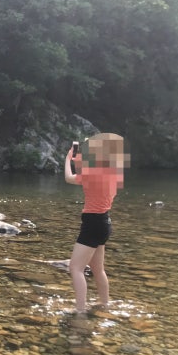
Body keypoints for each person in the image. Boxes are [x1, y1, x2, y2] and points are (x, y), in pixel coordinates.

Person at [64, 133, 130, 314]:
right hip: (104, 223)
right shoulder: (113, 173)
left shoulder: (91, 172)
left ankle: (80, 311)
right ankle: (104, 305)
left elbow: (69, 177)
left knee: (75, 268)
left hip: (92, 224)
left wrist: (68, 158)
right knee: (98, 269)